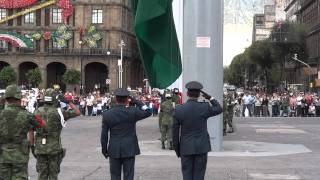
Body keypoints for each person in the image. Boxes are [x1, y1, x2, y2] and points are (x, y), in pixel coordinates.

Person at [172, 81, 222, 180]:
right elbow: (219, 109)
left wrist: (178, 150)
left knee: (187, 176)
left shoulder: (179, 109)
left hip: (186, 147)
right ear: (199, 95)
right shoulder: (204, 107)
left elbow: (174, 132)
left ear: (187, 94)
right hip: (201, 147)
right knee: (199, 176)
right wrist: (210, 98)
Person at [101, 88, 152, 180]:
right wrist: (136, 101)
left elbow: (104, 135)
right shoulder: (132, 111)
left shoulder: (107, 114)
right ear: (127, 99)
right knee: (129, 175)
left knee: (115, 175)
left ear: (116, 99)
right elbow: (148, 111)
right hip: (129, 148)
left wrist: (104, 149)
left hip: (114, 148)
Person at [31, 88, 80, 180]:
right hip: (54, 149)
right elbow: (77, 112)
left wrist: (32, 146)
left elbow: (30, 130)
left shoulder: (36, 112)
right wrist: (68, 102)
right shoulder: (59, 112)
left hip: (40, 147)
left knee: (42, 174)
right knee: (53, 175)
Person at [0, 84, 46, 180]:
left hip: (2, 155)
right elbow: (42, 124)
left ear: (6, 98)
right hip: (20, 155)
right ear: (19, 97)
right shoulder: (26, 114)